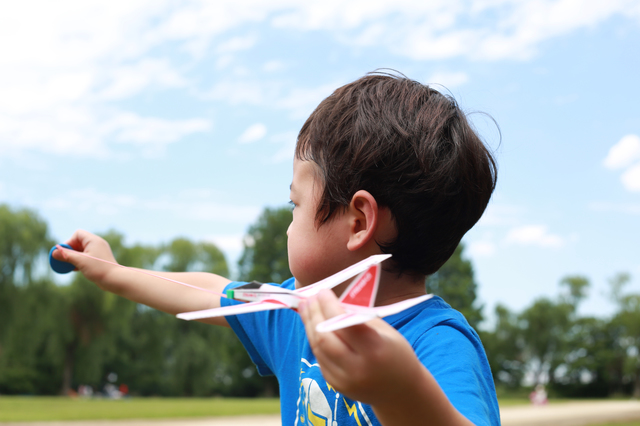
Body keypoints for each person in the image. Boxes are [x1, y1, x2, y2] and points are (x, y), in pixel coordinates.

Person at [53, 72, 500, 425]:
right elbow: (210, 291)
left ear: (359, 222)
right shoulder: (296, 313)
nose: (288, 226)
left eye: (295, 204)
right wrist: (112, 271)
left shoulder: (437, 344)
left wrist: (399, 391)